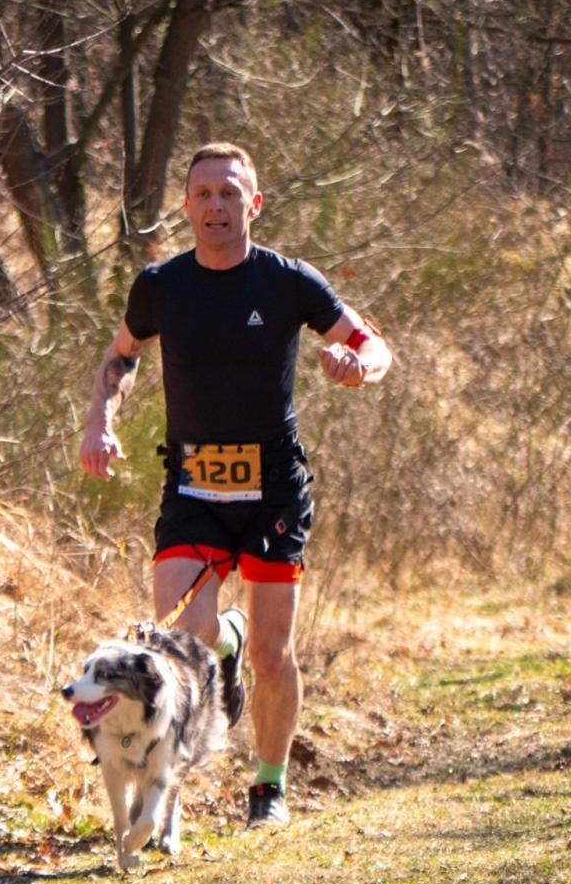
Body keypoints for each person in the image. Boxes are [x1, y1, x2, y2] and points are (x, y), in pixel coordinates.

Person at [79, 141, 392, 828]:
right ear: (187, 207)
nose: (215, 206)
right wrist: (101, 418)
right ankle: (223, 640)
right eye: (202, 195)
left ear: (253, 204)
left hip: (273, 487)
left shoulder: (288, 282)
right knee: (181, 634)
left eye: (229, 193)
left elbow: (375, 345)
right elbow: (121, 355)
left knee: (276, 654)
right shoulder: (161, 286)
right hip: (192, 481)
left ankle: (269, 789)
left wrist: (355, 365)